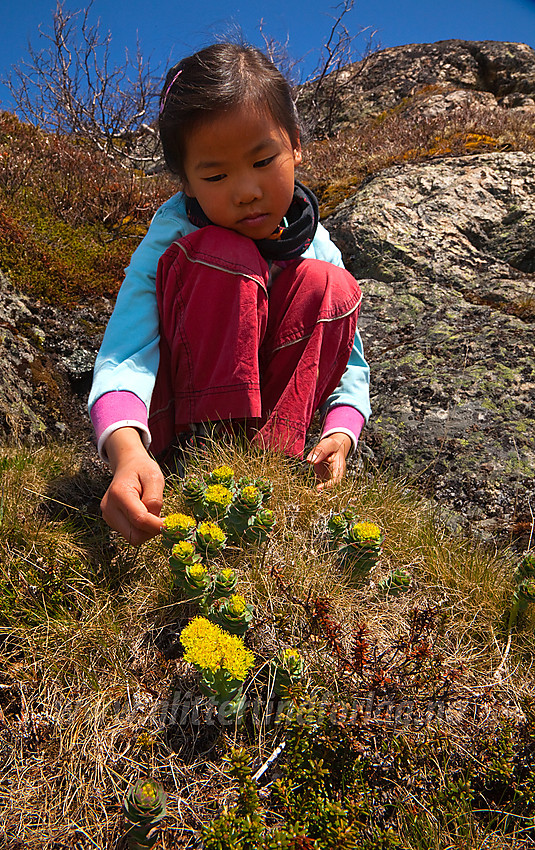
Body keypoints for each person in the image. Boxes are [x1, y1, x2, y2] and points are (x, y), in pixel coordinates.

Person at [88, 42, 371, 545]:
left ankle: (268, 468)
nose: (245, 190)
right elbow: (125, 353)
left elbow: (349, 363)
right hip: (176, 431)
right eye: (215, 175)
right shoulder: (173, 238)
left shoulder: (316, 245)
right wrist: (127, 451)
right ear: (187, 183)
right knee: (224, 253)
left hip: (271, 443)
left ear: (296, 144)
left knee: (331, 286)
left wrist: (341, 431)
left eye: (263, 161)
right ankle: (203, 461)